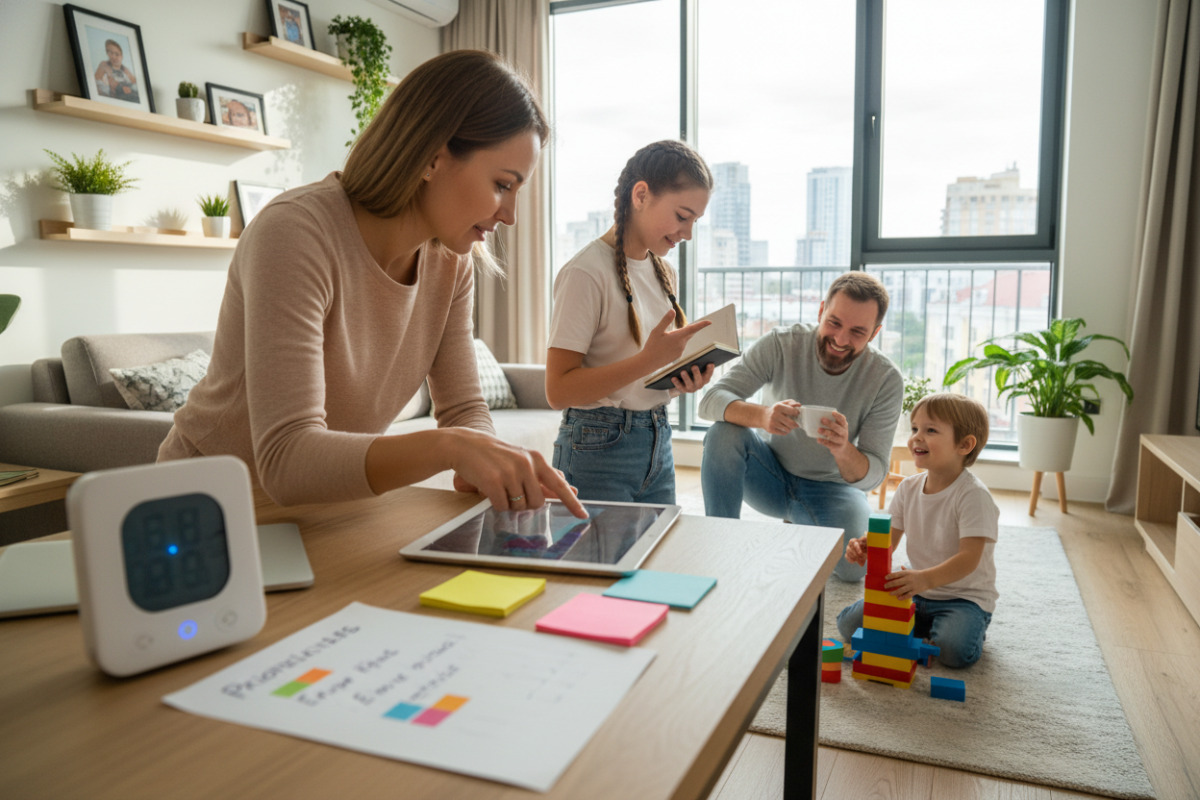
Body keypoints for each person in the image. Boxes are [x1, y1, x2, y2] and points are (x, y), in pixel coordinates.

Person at [158, 49, 585, 519]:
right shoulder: (296, 234)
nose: (511, 215)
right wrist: (452, 447)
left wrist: (491, 462)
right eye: (503, 185)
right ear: (433, 157)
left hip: (330, 511)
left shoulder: (451, 263)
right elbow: (286, 459)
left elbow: (464, 408)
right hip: (206, 509)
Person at [698, 272, 902, 580]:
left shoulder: (885, 379)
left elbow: (874, 474)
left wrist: (843, 449)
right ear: (821, 311)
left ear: (874, 333)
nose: (840, 340)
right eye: (834, 323)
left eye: (857, 332)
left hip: (833, 489)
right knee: (722, 433)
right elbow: (710, 400)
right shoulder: (781, 344)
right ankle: (721, 540)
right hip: (769, 476)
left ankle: (805, 521)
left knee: (854, 568)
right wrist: (763, 416)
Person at [545, 140, 716, 504]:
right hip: (597, 447)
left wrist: (680, 379)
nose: (687, 233)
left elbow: (642, 378)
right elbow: (558, 391)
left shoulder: (664, 272)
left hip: (658, 437)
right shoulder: (584, 273)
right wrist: (648, 361)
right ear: (641, 195)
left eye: (695, 222)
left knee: (658, 543)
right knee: (596, 546)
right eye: (682, 216)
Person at [836, 393, 999, 668]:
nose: (916, 438)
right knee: (849, 626)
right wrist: (865, 546)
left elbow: (969, 559)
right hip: (915, 588)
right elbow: (888, 539)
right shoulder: (908, 488)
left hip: (962, 599)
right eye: (914, 429)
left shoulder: (973, 495)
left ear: (964, 445)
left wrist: (924, 579)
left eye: (930, 430)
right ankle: (917, 627)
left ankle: (940, 629)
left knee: (953, 651)